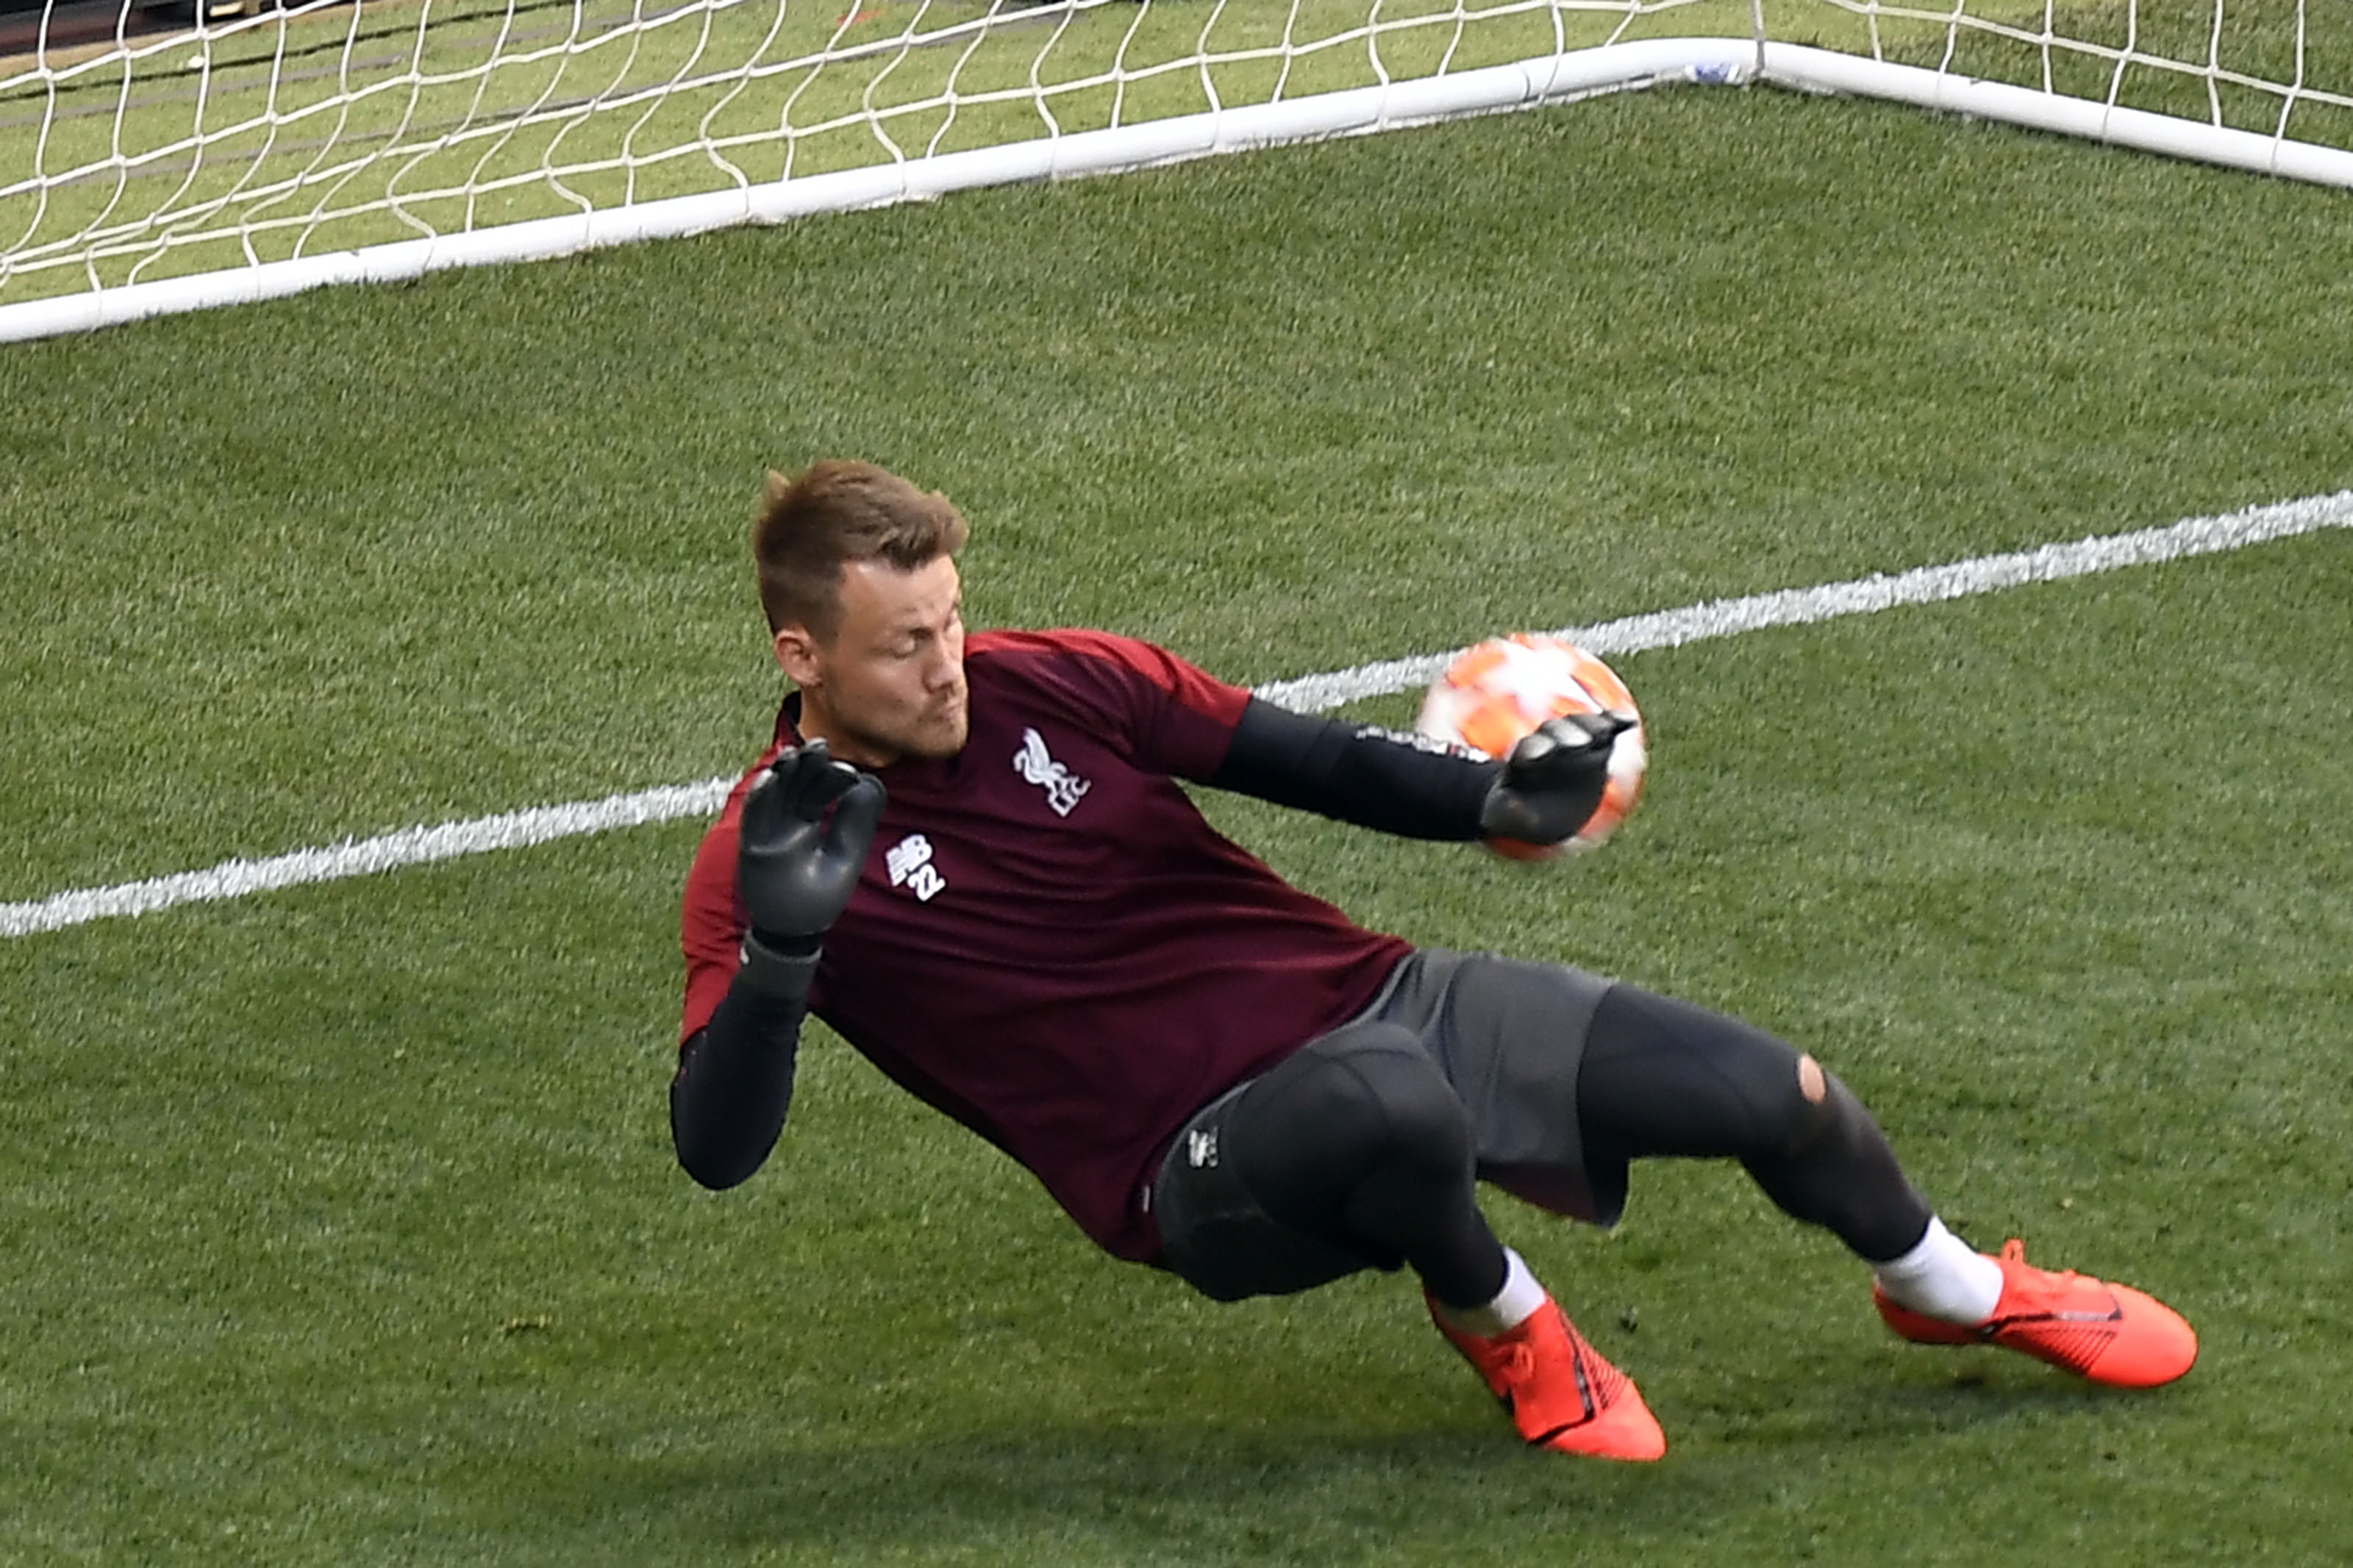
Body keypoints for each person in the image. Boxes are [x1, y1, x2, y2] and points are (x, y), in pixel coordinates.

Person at [670, 459, 2196, 1461]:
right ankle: (1507, 1323)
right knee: (1393, 1109)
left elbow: (1303, 757)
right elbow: (715, 1149)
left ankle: (1946, 1283)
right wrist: (787, 958)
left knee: (1774, 1092)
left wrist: (1492, 799)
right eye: (901, 646)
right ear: (801, 656)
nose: (946, 668)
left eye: (948, 621)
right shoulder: (769, 853)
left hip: (1374, 1001)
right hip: (1187, 1168)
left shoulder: (1051, 678)